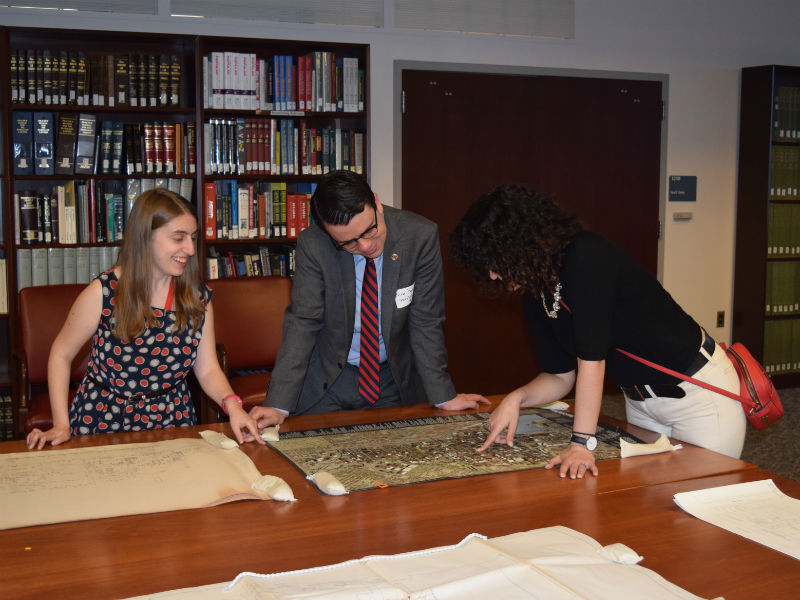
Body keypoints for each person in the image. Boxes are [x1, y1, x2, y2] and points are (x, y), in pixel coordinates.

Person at [449, 184, 746, 479]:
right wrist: (517, 397)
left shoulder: (586, 255)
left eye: (494, 261)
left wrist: (581, 443)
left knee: (704, 506)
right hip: (642, 404)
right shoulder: (535, 292)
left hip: (698, 395)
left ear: (518, 244)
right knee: (659, 513)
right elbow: (560, 376)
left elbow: (592, 360)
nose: (491, 274)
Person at [26, 189, 263, 450]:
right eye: (178, 238)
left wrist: (234, 406)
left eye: (193, 238)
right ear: (145, 238)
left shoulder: (197, 299)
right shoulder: (104, 292)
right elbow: (61, 354)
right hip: (103, 420)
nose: (191, 249)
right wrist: (61, 423)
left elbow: (207, 369)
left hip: (171, 421)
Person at [250, 170, 488, 428]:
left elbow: (426, 322)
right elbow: (304, 322)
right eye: (349, 243)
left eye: (369, 231)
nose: (365, 247)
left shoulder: (419, 236)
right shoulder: (314, 243)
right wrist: (277, 404)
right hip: (328, 379)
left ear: (375, 202)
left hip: (391, 379)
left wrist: (443, 396)